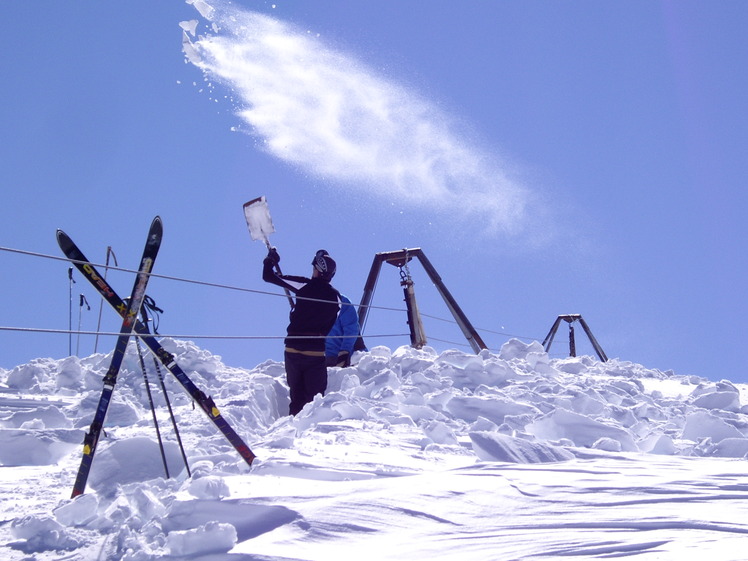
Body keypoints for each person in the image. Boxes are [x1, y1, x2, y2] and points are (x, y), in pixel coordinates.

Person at [263, 248, 340, 416]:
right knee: (315, 401)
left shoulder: (304, 286)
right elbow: (329, 324)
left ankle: (292, 429)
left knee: (296, 398)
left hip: (293, 349)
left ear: (318, 270)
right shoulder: (336, 298)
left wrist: (270, 260)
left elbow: (268, 276)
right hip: (315, 352)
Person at [325, 294, 365, 367]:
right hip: (324, 359)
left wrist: (344, 352)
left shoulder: (340, 301)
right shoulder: (308, 306)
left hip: (351, 357)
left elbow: (351, 328)